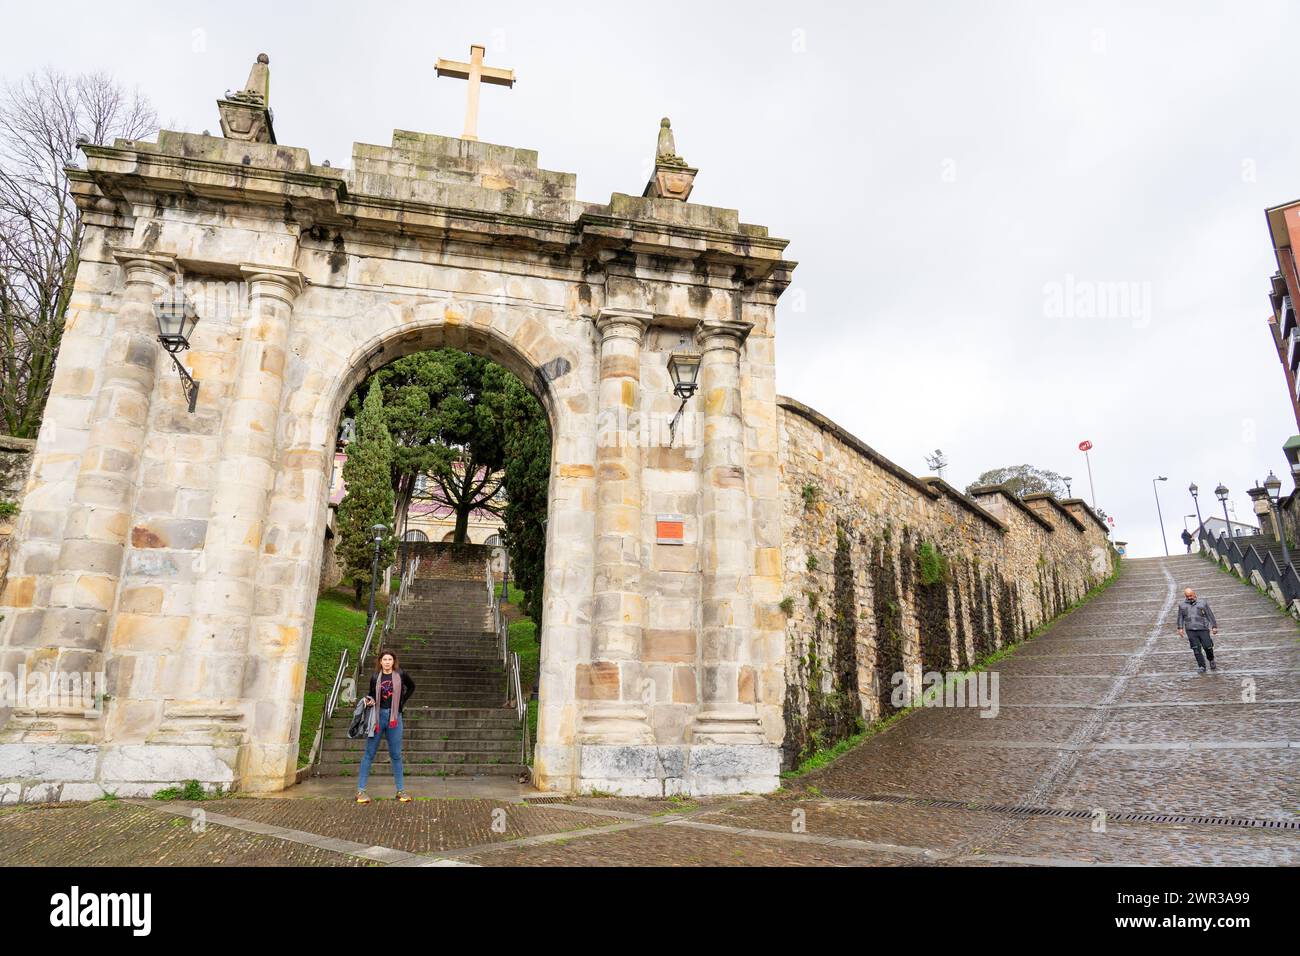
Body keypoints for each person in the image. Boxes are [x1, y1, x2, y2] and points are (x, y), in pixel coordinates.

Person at [356, 649, 416, 804]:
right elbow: (371, 694)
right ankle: (360, 791)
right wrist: (369, 700)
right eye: (385, 659)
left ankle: (400, 790)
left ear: (393, 661)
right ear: (380, 662)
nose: (387, 662)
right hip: (377, 717)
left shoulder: (401, 675)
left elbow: (412, 687)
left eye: (390, 659)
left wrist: (402, 702)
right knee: (369, 753)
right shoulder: (375, 677)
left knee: (396, 754)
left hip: (394, 718)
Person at [1176, 587, 1219, 674]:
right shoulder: (1182, 605)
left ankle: (1211, 659)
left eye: (1191, 595)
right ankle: (1201, 666)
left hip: (1203, 628)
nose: (1189, 597)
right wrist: (1180, 628)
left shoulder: (1202, 603)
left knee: (1208, 646)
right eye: (1187, 596)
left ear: (1194, 594)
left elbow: (1210, 615)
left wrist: (1214, 626)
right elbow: (1180, 617)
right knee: (1196, 649)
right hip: (1190, 630)